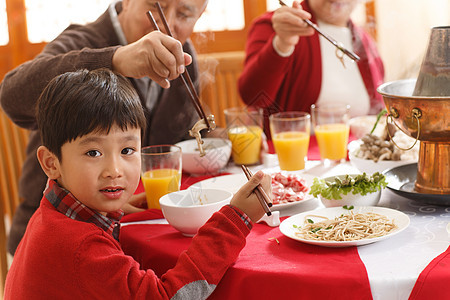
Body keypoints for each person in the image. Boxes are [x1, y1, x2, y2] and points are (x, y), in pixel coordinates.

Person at [4, 68, 272, 299]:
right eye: (93, 153)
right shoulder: (81, 246)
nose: (114, 170)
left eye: (127, 150)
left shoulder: (53, 215)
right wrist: (237, 219)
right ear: (51, 163)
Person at [0, 0, 209, 255]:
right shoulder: (84, 39)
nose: (167, 22)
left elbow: (184, 135)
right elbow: (11, 94)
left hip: (129, 227)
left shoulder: (182, 55)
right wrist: (115, 59)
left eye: (185, 14)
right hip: (55, 238)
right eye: (158, 5)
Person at [238, 0, 385, 137]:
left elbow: (380, 111)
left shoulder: (364, 41)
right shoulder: (279, 25)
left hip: (355, 157)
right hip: (294, 158)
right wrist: (282, 43)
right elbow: (252, 96)